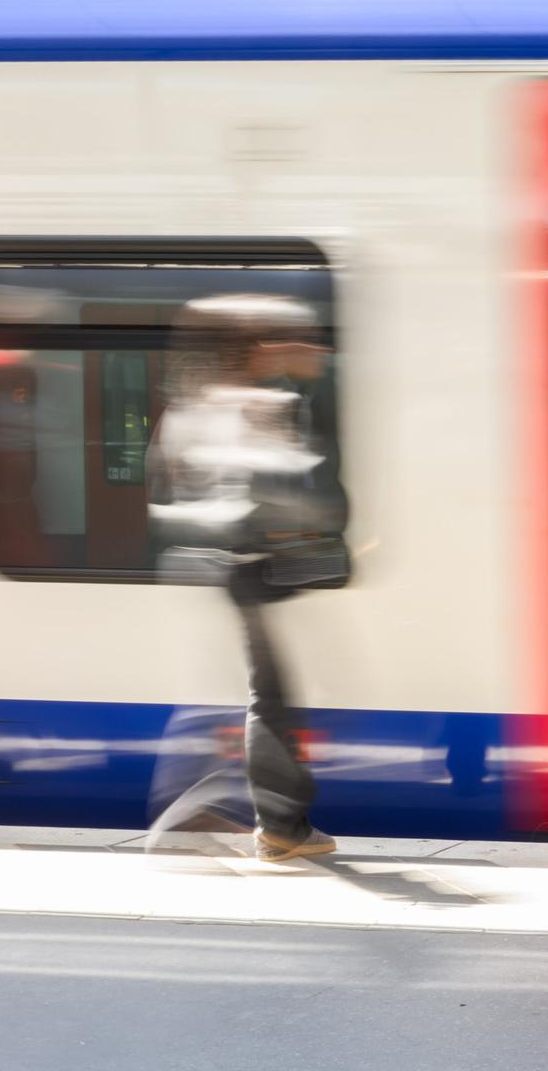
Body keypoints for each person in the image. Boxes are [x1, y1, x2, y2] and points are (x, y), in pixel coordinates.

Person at [148, 294, 346, 864]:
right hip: (248, 569)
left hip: (212, 567)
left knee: (244, 695)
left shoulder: (191, 403)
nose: (299, 347)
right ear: (255, 347)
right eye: (281, 338)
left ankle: (246, 821)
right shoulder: (255, 404)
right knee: (268, 699)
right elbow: (279, 490)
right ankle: (276, 825)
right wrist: (319, 534)